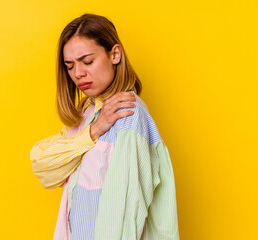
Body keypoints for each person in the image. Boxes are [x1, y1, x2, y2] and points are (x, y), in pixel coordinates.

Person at [30, 13, 179, 240]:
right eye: (70, 66)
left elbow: (125, 214)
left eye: (87, 61)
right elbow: (42, 167)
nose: (78, 74)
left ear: (115, 54)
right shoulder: (87, 115)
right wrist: (93, 131)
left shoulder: (128, 114)